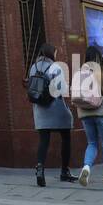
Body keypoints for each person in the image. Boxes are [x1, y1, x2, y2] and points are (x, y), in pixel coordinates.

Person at [29, 43, 76, 187]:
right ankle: (64, 171)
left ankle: (40, 167)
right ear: (51, 53)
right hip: (55, 107)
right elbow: (61, 89)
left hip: (39, 109)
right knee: (66, 137)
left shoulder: (33, 67)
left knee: (44, 140)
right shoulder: (55, 67)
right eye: (55, 53)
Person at [74, 45, 103, 188]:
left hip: (85, 114)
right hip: (102, 113)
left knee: (92, 144)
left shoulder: (80, 72)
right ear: (99, 57)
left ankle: (86, 167)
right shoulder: (102, 70)